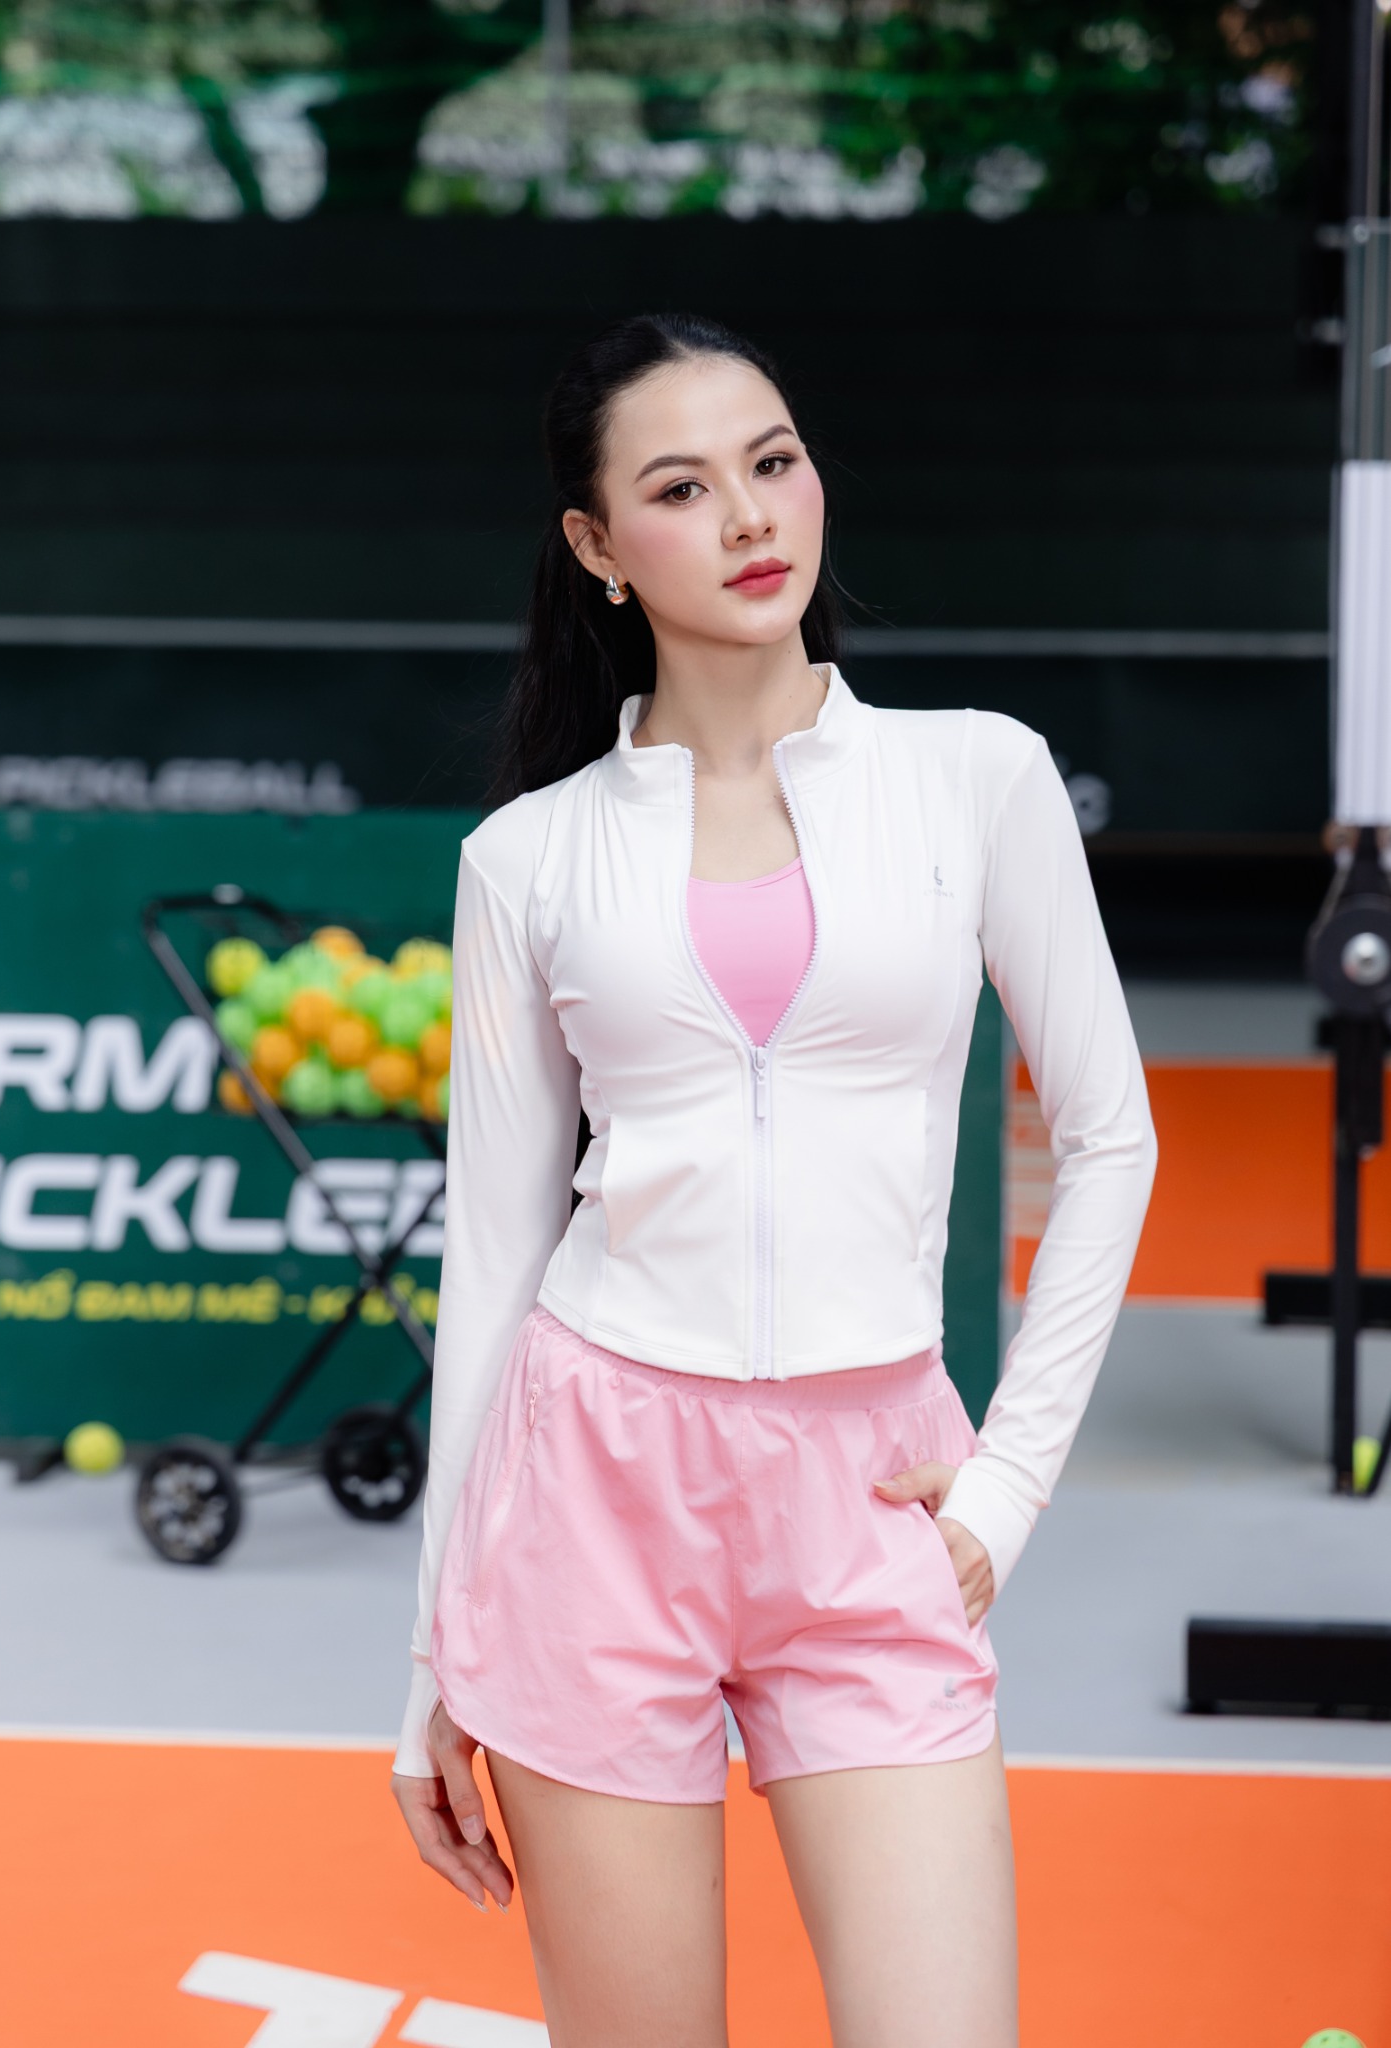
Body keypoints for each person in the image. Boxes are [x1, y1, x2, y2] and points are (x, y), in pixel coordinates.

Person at [390, 310, 1157, 2047]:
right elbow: (495, 1254)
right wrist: (431, 1656)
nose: (748, 516)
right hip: (588, 1500)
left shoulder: (976, 776)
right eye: (679, 488)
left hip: (872, 1495)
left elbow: (1109, 1136)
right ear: (596, 546)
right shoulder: (524, 856)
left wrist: (1005, 1488)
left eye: (773, 462)